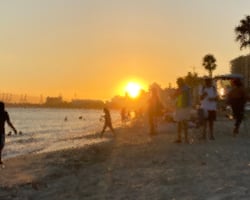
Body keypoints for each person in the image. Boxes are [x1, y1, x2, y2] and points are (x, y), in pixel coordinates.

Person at [174, 78, 192, 143]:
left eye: (178, 83)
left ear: (181, 82)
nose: (178, 84)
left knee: (184, 123)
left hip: (185, 107)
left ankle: (186, 138)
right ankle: (179, 138)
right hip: (180, 107)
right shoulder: (182, 88)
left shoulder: (186, 88)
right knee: (179, 123)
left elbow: (178, 93)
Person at [0, 101, 17, 165]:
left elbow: (8, 122)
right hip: (1, 132)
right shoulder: (5, 113)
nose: (3, 108)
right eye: (2, 107)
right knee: (1, 145)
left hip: (2, 132)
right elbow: (9, 123)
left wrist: (14, 129)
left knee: (1, 146)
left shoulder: (5, 113)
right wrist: (14, 129)